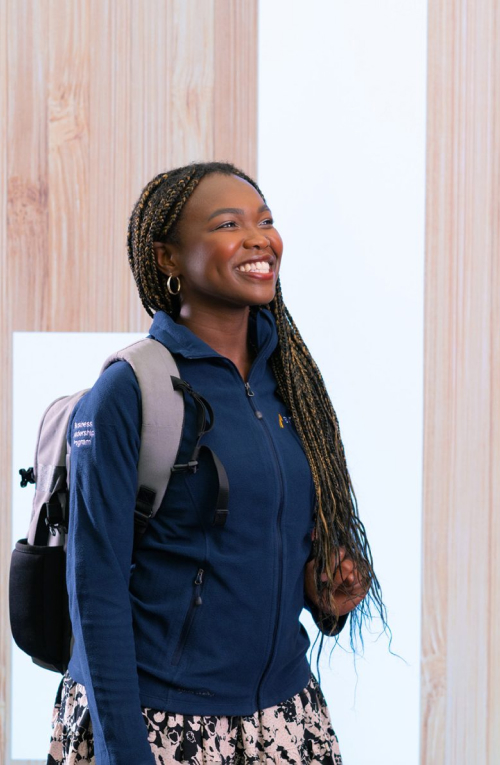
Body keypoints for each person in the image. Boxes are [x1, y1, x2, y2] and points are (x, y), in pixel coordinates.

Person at [46, 161, 385, 765]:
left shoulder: (294, 388)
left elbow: (270, 551)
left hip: (286, 718)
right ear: (168, 258)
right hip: (159, 723)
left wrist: (325, 589)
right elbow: (94, 594)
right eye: (229, 224)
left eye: (266, 221)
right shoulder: (129, 392)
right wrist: (125, 753)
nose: (259, 239)